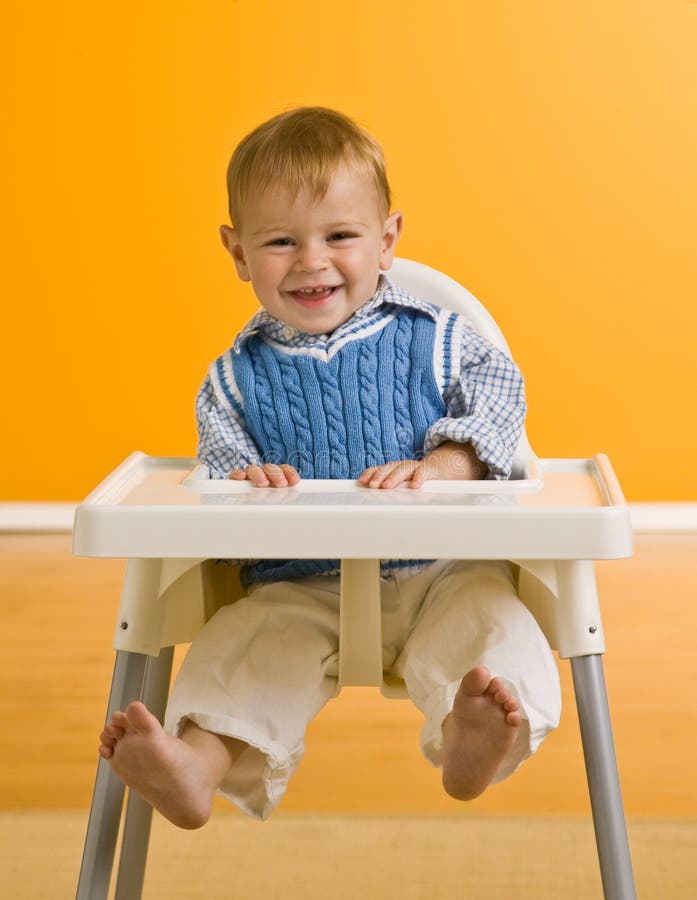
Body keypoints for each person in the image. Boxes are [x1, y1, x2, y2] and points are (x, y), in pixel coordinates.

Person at [99, 107, 561, 828]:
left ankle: (472, 739)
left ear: (386, 240)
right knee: (247, 643)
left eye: (339, 236)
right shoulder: (232, 378)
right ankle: (196, 763)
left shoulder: (437, 337)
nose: (312, 261)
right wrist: (242, 485)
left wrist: (445, 463)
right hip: (300, 583)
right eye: (281, 242)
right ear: (237, 252)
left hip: (441, 567)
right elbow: (216, 473)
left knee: (488, 622)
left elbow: (501, 399)